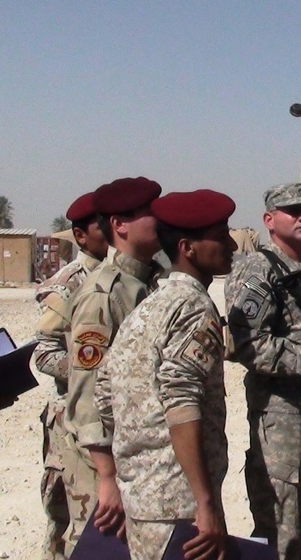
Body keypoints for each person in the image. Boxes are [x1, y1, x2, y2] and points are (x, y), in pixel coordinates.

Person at [94, 190, 237, 560]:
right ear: (188, 248)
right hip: (181, 509)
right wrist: (205, 504)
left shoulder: (148, 306)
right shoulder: (192, 307)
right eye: (221, 237)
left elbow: (104, 393)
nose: (233, 244)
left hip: (143, 502)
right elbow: (182, 402)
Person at [225, 183, 301, 560]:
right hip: (282, 414)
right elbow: (246, 345)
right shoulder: (258, 270)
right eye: (293, 210)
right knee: (282, 524)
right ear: (269, 220)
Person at [61, 176, 163, 553]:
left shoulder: (150, 283)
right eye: (150, 212)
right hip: (105, 465)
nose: (161, 219)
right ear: (120, 225)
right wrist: (106, 476)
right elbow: (86, 393)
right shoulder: (103, 295)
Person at [30, 191, 109, 559]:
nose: (111, 229)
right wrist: (89, 373)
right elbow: (44, 352)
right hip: (74, 423)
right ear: (80, 235)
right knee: (82, 524)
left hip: (111, 422)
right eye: (101, 224)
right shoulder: (70, 284)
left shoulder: (127, 278)